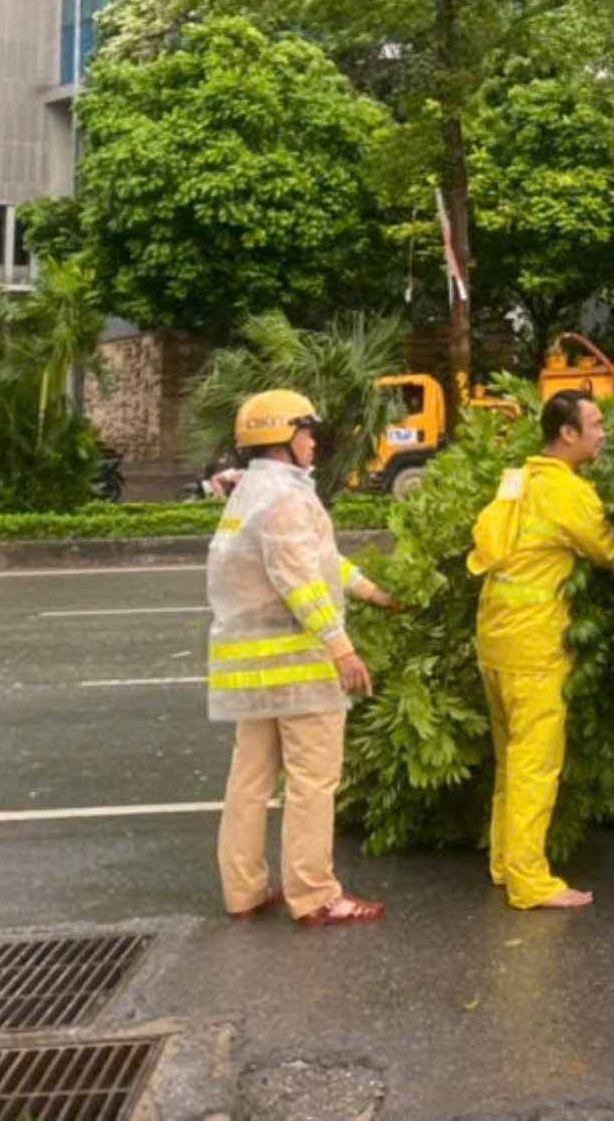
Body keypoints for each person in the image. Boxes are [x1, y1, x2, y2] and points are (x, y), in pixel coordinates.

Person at [207, 388, 401, 928]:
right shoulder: (286, 499)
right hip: (299, 667)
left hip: (253, 669)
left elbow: (319, 561)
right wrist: (342, 648)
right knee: (313, 782)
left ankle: (243, 890)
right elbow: (300, 580)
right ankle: (315, 895)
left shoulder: (250, 493)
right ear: (283, 437)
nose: (314, 441)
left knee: (249, 781)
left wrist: (372, 592)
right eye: (307, 431)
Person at [469, 391, 614, 910]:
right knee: (534, 765)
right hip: (535, 647)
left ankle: (506, 863)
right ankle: (529, 881)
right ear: (568, 433)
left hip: (496, 639)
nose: (603, 434)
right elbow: (612, 552)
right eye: (597, 424)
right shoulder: (567, 492)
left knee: (510, 760)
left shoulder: (518, 478)